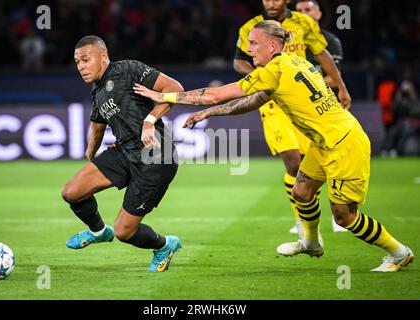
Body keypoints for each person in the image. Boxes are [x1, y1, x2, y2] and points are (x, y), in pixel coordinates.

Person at [134, 21, 414, 272]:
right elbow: (254, 101)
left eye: (254, 44)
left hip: (343, 144)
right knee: (302, 192)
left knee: (344, 217)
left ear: (272, 45)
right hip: (324, 142)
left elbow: (214, 94)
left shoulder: (274, 69)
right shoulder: (293, 62)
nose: (249, 49)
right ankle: (311, 243)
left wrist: (162, 95)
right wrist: (211, 114)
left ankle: (398, 252)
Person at [62, 35, 183, 272]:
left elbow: (175, 89)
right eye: (77, 62)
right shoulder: (97, 91)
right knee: (72, 192)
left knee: (124, 232)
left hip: (156, 158)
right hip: (125, 153)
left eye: (86, 60)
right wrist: (90, 152)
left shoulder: (128, 69)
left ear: (103, 56)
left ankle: (164, 245)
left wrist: (149, 121)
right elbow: (97, 126)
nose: (81, 67)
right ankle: (98, 231)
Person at [233, 0, 351, 238]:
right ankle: (302, 221)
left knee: (311, 164)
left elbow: (321, 54)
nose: (271, 3)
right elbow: (238, 62)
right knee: (293, 162)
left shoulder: (303, 23)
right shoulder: (251, 28)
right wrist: (262, 77)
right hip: (272, 103)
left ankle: (319, 215)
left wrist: (341, 86)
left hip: (300, 102)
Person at [296, 0, 346, 232]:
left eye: (308, 10)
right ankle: (305, 219)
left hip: (326, 109)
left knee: (333, 162)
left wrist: (305, 83)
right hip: (300, 111)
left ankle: (341, 213)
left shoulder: (329, 42)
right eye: (300, 11)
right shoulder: (292, 42)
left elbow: (333, 77)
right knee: (303, 163)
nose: (303, 14)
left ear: (318, 13)